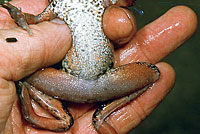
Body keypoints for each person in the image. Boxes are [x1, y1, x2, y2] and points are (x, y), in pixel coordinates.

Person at [0, 0, 197, 133]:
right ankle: (33, 116)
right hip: (70, 83)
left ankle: (102, 114)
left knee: (153, 73)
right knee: (22, 74)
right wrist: (19, 16)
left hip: (106, 80)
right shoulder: (57, 5)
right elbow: (32, 20)